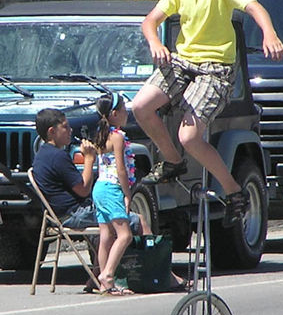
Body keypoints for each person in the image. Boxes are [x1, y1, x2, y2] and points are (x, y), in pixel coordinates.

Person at [132, 0, 283, 228]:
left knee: (189, 136)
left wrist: (269, 33)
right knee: (140, 107)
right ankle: (171, 160)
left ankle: (233, 191)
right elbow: (149, 21)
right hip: (182, 62)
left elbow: (255, 8)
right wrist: (155, 43)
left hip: (215, 69)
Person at [32, 107, 187, 292]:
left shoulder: (42, 155)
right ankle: (163, 275)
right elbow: (83, 189)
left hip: (58, 213)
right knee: (139, 221)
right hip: (73, 214)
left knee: (106, 232)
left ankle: (98, 278)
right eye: (65, 127)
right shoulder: (57, 156)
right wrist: (89, 159)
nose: (70, 130)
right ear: (52, 131)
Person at [91, 93, 141, 295]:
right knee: (125, 235)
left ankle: (104, 282)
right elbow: (121, 169)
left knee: (106, 235)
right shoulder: (117, 137)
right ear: (114, 113)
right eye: (123, 109)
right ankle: (108, 274)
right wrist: (127, 193)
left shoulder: (101, 135)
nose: (126, 112)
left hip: (100, 187)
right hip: (112, 189)